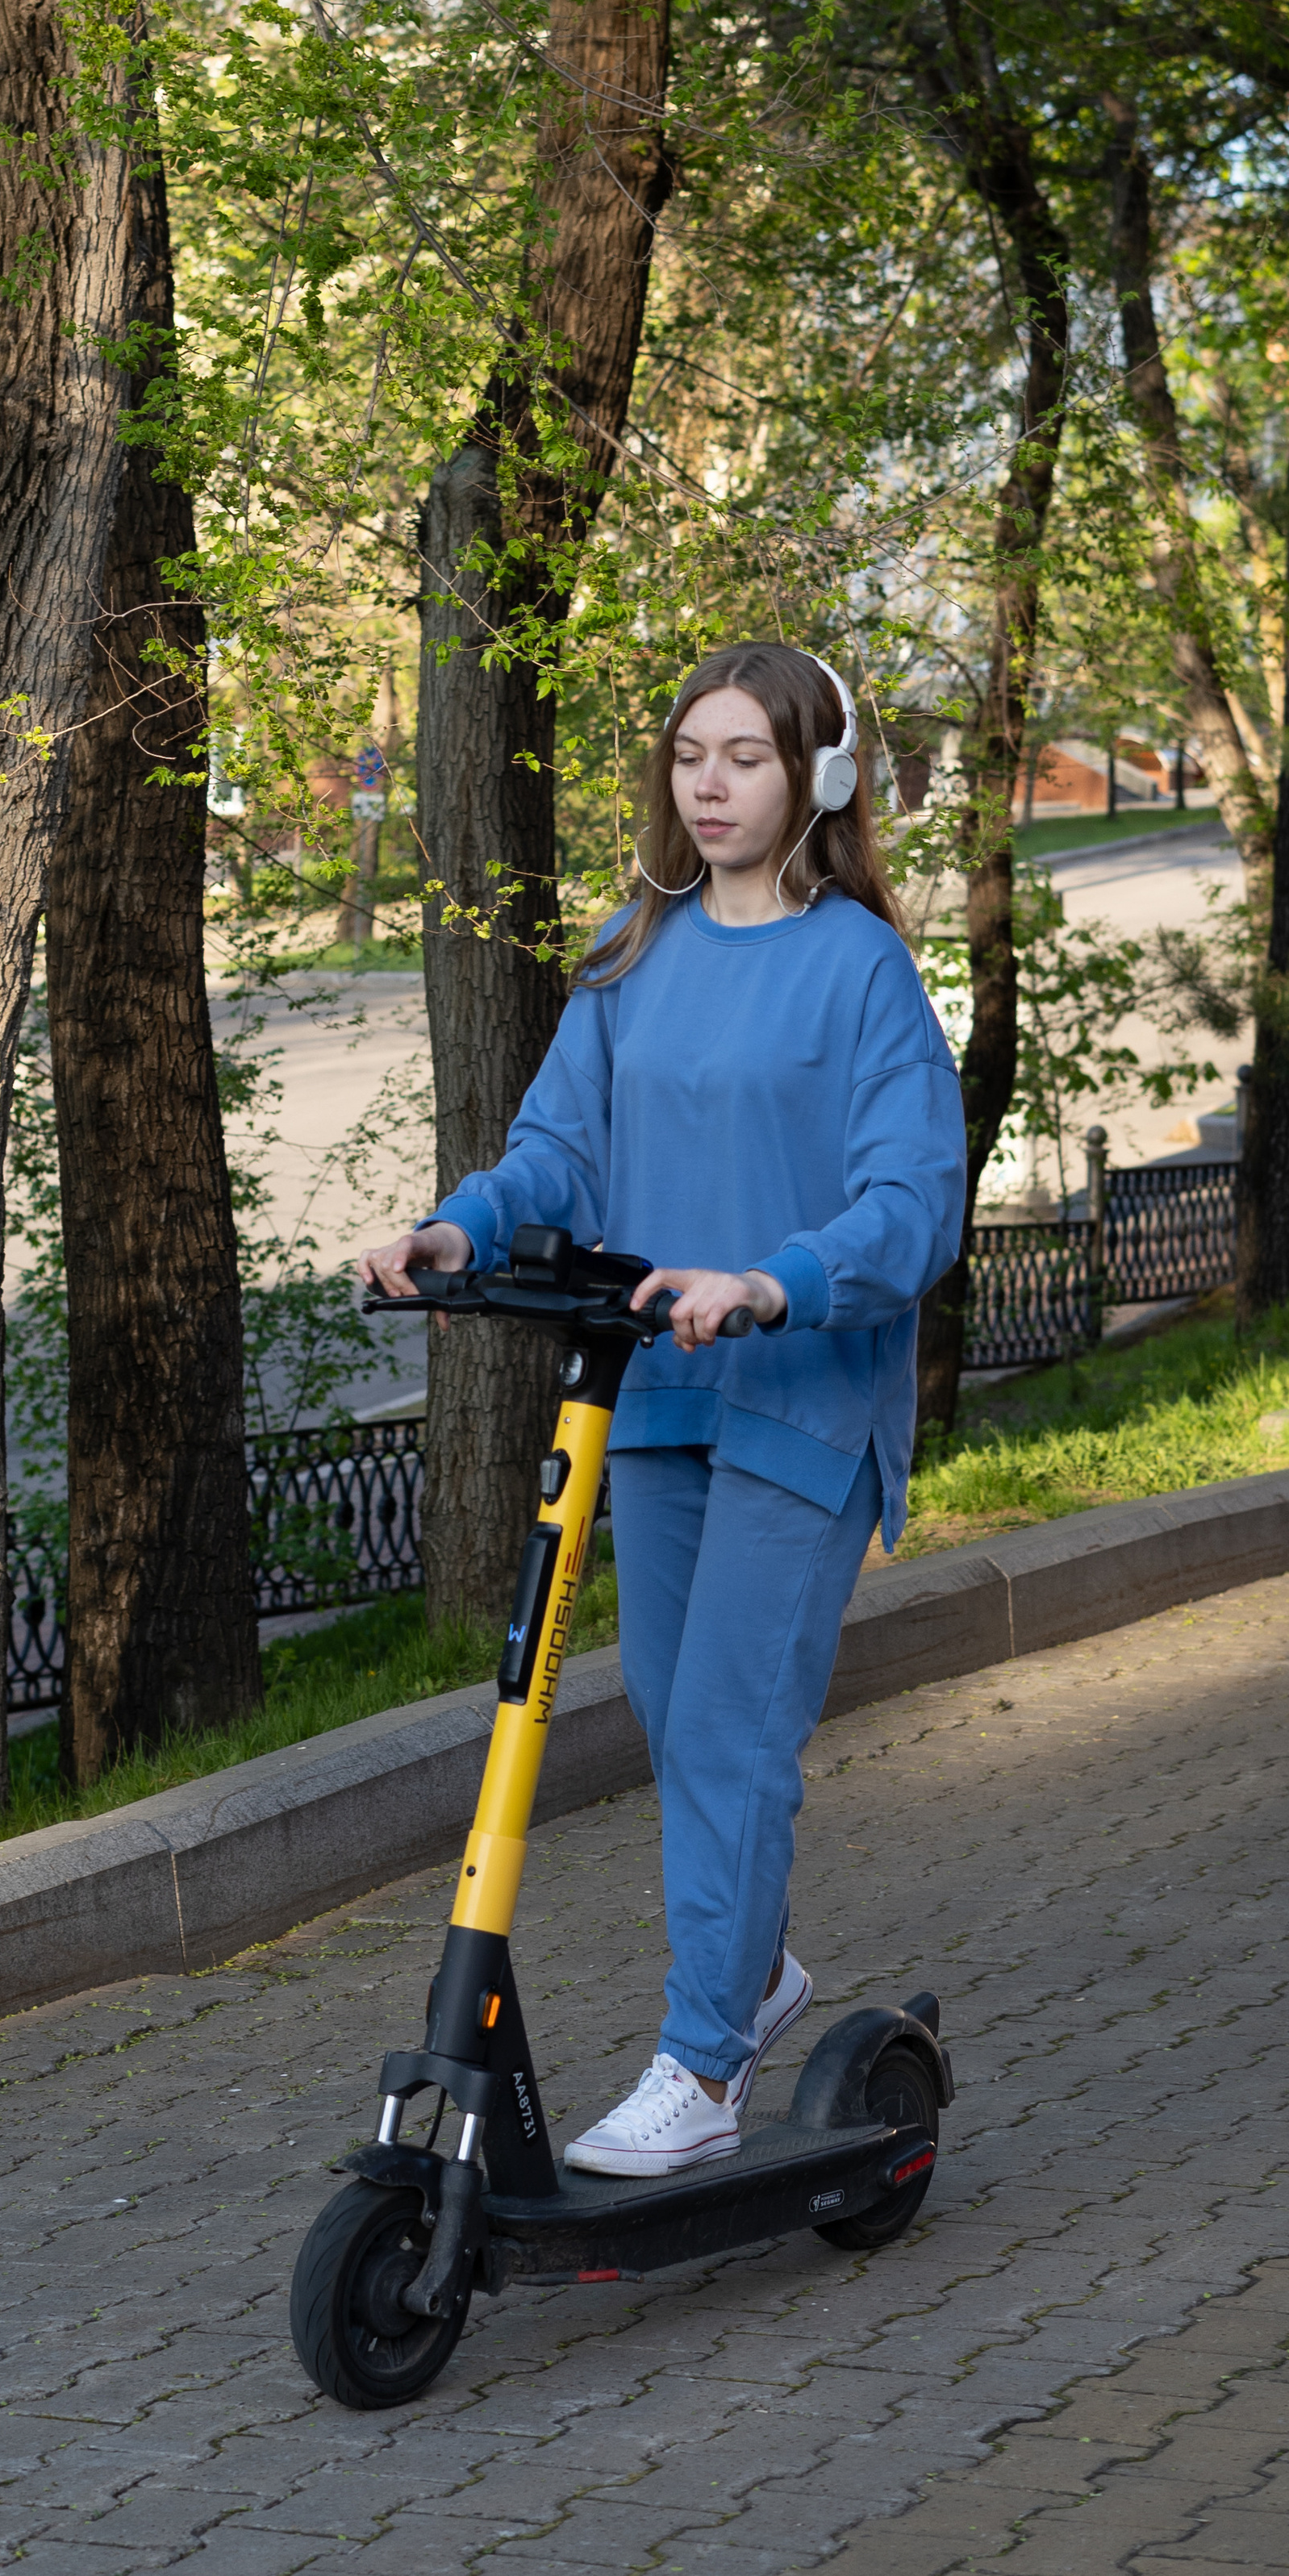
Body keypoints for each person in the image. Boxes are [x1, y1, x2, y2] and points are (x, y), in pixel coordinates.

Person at [361, 644, 965, 2177]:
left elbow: (916, 1207)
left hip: (799, 1402)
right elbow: (560, 1151)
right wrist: (459, 1232)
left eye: (746, 757)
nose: (709, 783)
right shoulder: (638, 948)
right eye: (692, 753)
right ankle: (753, 1979)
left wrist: (774, 1282)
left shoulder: (862, 970)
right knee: (678, 1729)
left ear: (818, 779)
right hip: (662, 1402)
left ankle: (704, 2067)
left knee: (727, 1735)